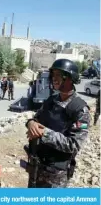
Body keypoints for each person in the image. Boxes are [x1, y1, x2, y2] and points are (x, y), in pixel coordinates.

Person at [25, 59, 90, 188]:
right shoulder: (51, 100)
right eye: (53, 75)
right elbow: (36, 119)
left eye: (59, 75)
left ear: (70, 78)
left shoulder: (80, 109)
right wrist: (30, 123)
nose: (54, 78)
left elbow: (74, 144)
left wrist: (45, 133)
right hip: (37, 166)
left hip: (55, 175)